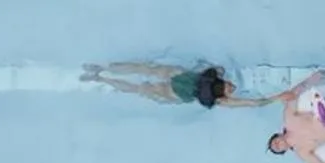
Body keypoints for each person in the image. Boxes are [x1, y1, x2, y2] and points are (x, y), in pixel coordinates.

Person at [80, 62, 266, 109]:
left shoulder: (214, 77)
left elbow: (214, 69)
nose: (232, 87)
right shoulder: (220, 99)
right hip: (176, 91)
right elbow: (240, 102)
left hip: (179, 78)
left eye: (231, 86)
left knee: (143, 70)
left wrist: (257, 102)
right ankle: (100, 77)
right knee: (138, 88)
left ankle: (101, 72)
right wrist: (258, 102)